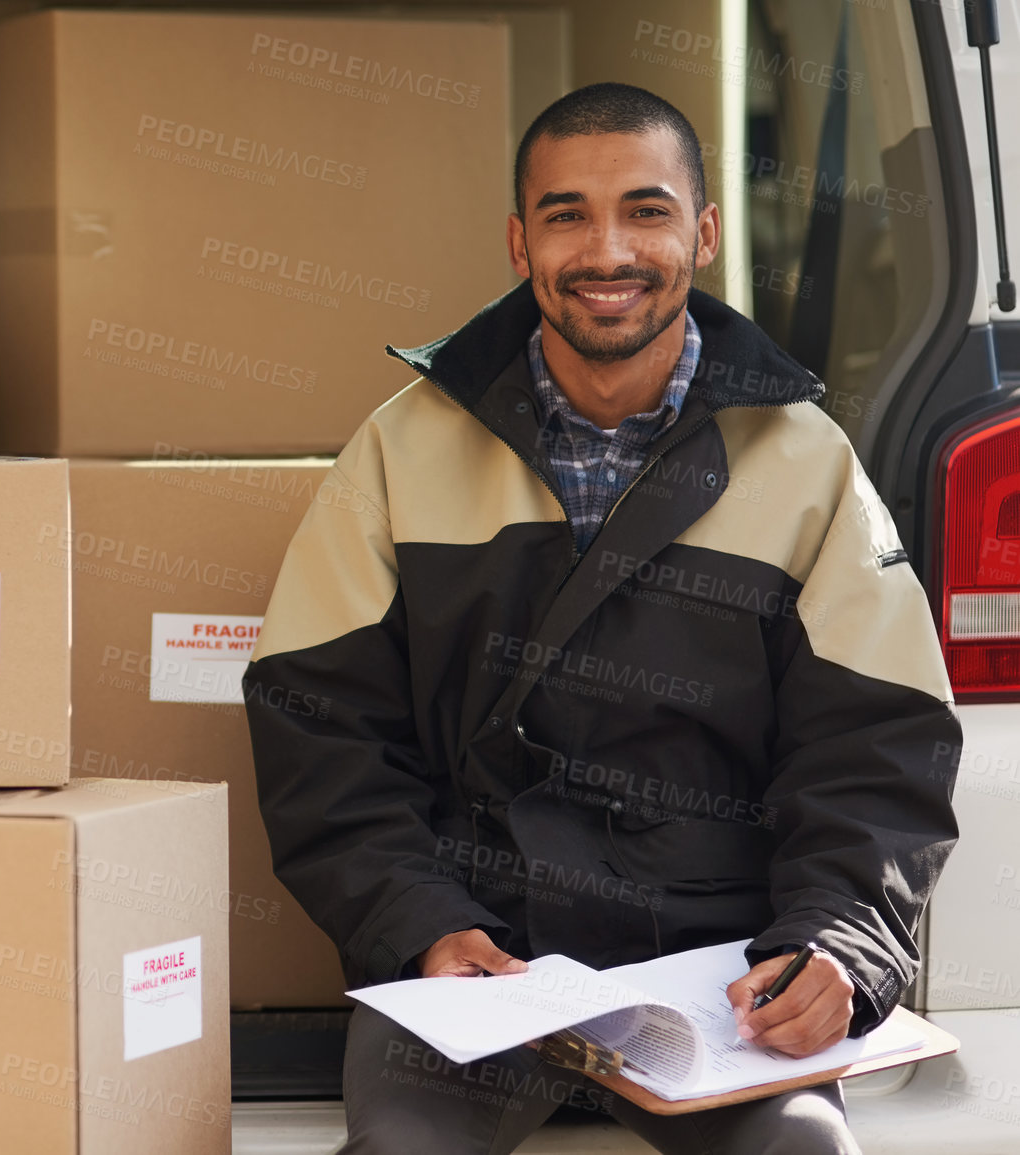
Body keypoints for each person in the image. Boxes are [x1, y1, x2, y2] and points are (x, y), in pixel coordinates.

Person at [241, 82, 960, 1155]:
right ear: (520, 240)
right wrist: (421, 923)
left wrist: (836, 943)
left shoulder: (807, 462)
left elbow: (878, 745)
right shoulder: (400, 450)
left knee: (807, 1148)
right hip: (479, 965)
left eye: (648, 210)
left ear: (704, 233)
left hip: (721, 969)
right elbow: (317, 726)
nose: (607, 250)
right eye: (568, 214)